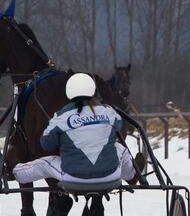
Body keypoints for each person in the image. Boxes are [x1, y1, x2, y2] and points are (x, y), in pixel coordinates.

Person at [12, 73, 145, 186]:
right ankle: (132, 175)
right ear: (92, 90)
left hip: (73, 176)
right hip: (111, 175)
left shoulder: (60, 117)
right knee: (119, 149)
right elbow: (119, 125)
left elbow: (46, 144)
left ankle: (14, 171)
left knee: (44, 164)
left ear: (69, 92)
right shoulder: (108, 111)